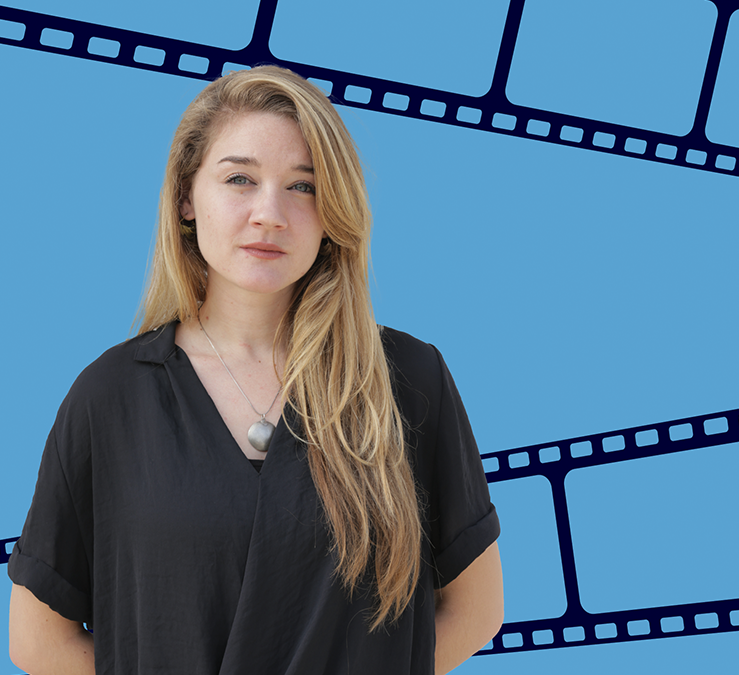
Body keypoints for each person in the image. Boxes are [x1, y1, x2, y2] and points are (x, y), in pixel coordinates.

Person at [7, 65, 503, 674]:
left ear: (333, 211)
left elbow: (476, 609)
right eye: (240, 178)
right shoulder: (109, 399)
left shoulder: (407, 381)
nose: (270, 213)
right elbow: (38, 640)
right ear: (187, 197)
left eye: (303, 186)